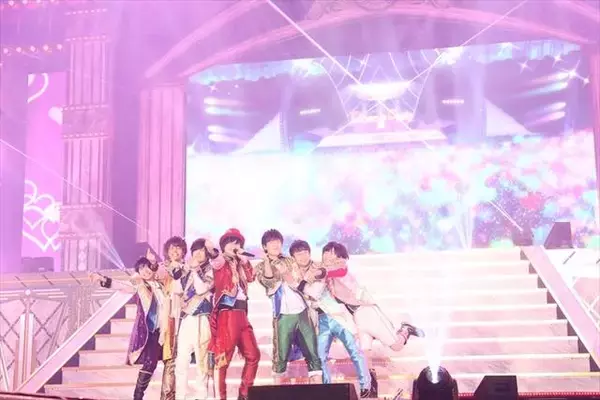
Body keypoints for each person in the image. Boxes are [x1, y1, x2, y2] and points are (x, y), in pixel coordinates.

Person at [321, 241, 425, 397]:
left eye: (331, 253)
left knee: (396, 346)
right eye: (325, 253)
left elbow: (337, 271)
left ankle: (405, 329)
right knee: (364, 354)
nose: (327, 256)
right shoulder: (328, 276)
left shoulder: (340, 268)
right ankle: (370, 389)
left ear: (340, 256)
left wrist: (316, 269)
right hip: (357, 317)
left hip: (368, 312)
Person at [289, 240, 373, 398]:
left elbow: (338, 271)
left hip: (339, 315)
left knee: (355, 351)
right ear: (293, 257)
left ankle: (365, 385)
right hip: (321, 319)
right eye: (298, 254)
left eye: (305, 252)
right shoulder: (298, 273)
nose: (302, 257)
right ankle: (326, 390)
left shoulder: (323, 267)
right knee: (320, 357)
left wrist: (306, 283)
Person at [89, 254, 175, 400]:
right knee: (150, 363)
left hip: (164, 330)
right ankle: (138, 396)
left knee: (155, 363)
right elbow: (122, 286)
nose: (145, 271)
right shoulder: (140, 286)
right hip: (149, 331)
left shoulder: (161, 284)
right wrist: (102, 279)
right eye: (141, 269)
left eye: (147, 267)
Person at [255, 230, 322, 385]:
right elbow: (268, 281)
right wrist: (267, 262)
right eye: (271, 242)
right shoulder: (260, 266)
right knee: (280, 356)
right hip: (282, 315)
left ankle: (318, 390)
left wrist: (318, 271)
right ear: (264, 246)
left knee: (312, 352)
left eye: (278, 241)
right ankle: (277, 392)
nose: (276, 244)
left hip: (302, 311)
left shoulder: (290, 261)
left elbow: (306, 272)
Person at [208, 228, 260, 400]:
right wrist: (211, 249)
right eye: (230, 242)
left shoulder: (240, 263)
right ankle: (221, 397)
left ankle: (244, 395)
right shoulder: (221, 261)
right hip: (227, 314)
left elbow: (251, 278)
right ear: (223, 245)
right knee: (223, 359)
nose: (234, 246)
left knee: (253, 355)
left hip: (242, 314)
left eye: (237, 243)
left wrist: (244, 261)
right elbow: (215, 258)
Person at [175, 238, 217, 400]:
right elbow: (178, 289)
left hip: (202, 318)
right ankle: (181, 396)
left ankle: (201, 396)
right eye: (196, 250)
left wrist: (194, 270)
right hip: (187, 318)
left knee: (201, 361)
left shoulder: (211, 270)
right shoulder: (186, 269)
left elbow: (201, 289)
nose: (198, 253)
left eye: (202, 251)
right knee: (181, 360)